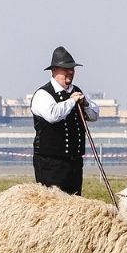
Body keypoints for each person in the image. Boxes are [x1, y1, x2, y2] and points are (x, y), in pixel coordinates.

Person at [31, 46, 99, 195]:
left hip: (74, 162)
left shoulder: (77, 91)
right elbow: (53, 115)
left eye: (72, 69)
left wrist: (85, 104)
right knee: (52, 206)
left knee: (75, 205)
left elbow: (94, 115)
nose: (70, 72)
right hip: (50, 164)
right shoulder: (43, 95)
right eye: (66, 69)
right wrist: (72, 101)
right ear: (54, 70)